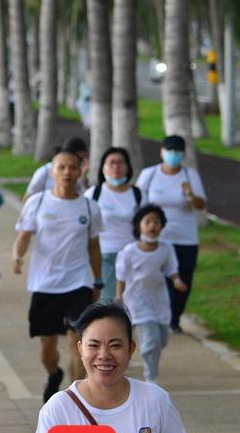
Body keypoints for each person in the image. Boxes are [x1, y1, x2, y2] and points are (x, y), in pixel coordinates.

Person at [31, 303, 208, 433]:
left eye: (115, 345)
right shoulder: (59, 410)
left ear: (131, 349)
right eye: (94, 345)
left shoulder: (155, 401)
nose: (104, 355)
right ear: (80, 348)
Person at [13, 149, 103, 402]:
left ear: (80, 171)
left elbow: (94, 246)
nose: (66, 172)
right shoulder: (38, 202)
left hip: (78, 283)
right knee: (47, 347)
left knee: (79, 341)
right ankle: (54, 372)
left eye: (72, 167)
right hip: (44, 284)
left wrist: (97, 278)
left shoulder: (89, 206)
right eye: (61, 167)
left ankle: (77, 396)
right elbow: (23, 236)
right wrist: (17, 256)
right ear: (52, 171)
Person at [135, 135, 207, 333]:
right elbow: (139, 205)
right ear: (162, 151)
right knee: (158, 278)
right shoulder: (149, 175)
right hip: (156, 237)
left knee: (183, 279)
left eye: (177, 151)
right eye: (169, 150)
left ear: (183, 154)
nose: (173, 155)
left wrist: (191, 196)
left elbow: (201, 205)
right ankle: (155, 316)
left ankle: (174, 318)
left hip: (185, 237)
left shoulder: (189, 176)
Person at [116, 205, 186, 384]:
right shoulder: (129, 251)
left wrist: (177, 281)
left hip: (159, 299)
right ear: (139, 225)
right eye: (148, 221)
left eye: (156, 222)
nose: (152, 226)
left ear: (162, 226)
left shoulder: (166, 249)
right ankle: (151, 376)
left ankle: (149, 363)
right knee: (151, 339)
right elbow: (121, 276)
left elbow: (171, 269)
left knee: (161, 339)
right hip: (136, 300)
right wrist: (119, 296)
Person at [86, 147, 145, 304]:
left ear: (128, 167)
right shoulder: (93, 194)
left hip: (132, 256)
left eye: (120, 163)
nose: (116, 167)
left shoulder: (138, 194)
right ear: (103, 167)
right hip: (104, 255)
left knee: (132, 303)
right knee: (107, 302)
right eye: (111, 163)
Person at [24, 137, 90, 200]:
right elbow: (30, 194)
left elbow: (85, 195)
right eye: (81, 158)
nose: (67, 172)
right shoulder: (45, 171)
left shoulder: (79, 172)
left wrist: (83, 177)